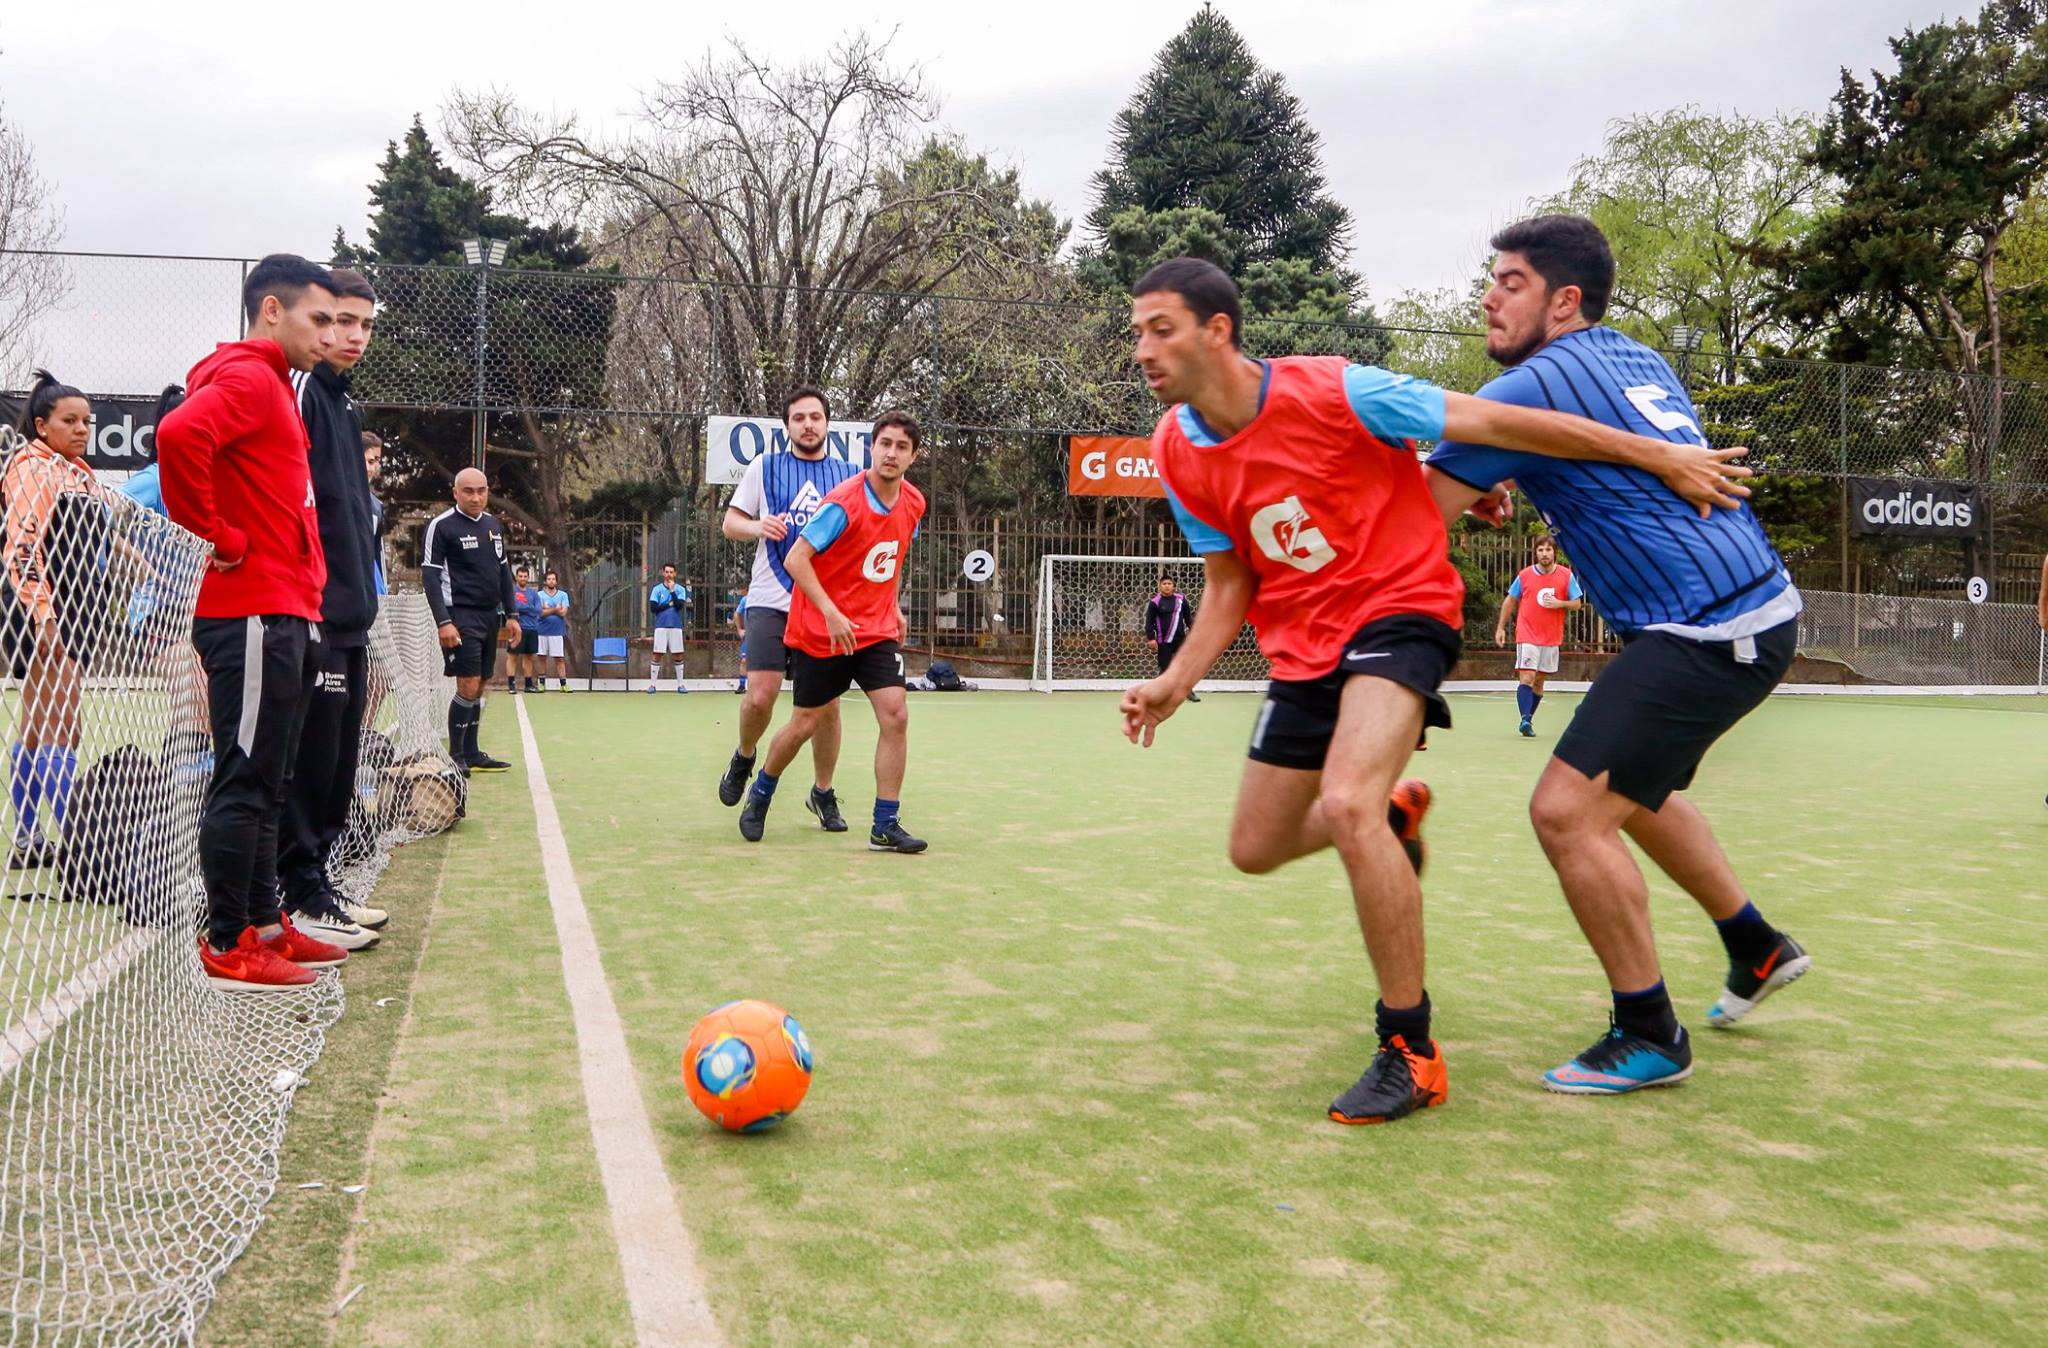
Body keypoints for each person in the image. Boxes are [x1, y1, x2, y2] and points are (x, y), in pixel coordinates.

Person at [1116, 256, 1752, 1126]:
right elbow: (1229, 584)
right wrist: (1173, 680)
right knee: (1255, 848)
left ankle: (1408, 1050)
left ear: (1216, 331)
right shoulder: (1176, 450)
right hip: (1304, 648)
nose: (1144, 350)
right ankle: (1395, 814)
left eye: (1162, 330)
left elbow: (1505, 419)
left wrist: (1660, 455)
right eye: (1138, 333)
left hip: (1398, 612)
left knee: (1344, 805)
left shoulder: (1342, 391)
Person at [1423, 215, 1810, 1096]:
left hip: (1706, 630)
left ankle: (1648, 1030)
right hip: (1749, 610)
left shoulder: (1529, 389)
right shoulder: (1634, 356)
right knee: (1634, 792)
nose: (1488, 294)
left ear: (1563, 301)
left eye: (1511, 281)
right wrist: (1496, 475)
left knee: (1568, 812)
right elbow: (1602, 465)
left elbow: (1412, 516)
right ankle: (1754, 946)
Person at [158, 253, 351, 990]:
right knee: (244, 782)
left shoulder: (274, 385)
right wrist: (219, 538)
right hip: (249, 611)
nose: (330, 333)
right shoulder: (245, 375)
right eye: (319, 317)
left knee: (271, 780)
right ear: (273, 310)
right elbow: (179, 439)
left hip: (285, 609)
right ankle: (226, 939)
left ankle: (266, 924)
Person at [738, 410, 928, 854]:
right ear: (871, 448)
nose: (891, 453)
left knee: (896, 715)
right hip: (822, 631)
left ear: (912, 456)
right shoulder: (844, 502)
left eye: (902, 447)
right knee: (806, 723)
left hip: (874, 629)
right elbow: (796, 559)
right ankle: (762, 791)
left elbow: (893, 554)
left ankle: (885, 824)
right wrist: (830, 611)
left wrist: (894, 605)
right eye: (885, 444)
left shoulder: (914, 502)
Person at [276, 268, 385, 950]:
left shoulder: (344, 405)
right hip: (311, 612)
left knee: (338, 760)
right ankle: (298, 893)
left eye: (366, 325)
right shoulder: (302, 391)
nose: (352, 336)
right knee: (309, 760)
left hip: (352, 615)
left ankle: (318, 882)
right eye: (341, 321)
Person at [716, 386, 862, 830]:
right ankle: (744, 757)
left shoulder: (850, 475)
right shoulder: (764, 467)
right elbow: (730, 523)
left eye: (815, 417)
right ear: (787, 427)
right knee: (760, 697)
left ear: (827, 423)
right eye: (799, 418)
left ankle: (822, 793)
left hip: (823, 605)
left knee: (828, 709)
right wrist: (758, 524)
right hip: (771, 599)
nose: (808, 424)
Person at [3, 371, 119, 870]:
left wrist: (145, 568)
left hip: (77, 610)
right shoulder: (34, 469)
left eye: (87, 422)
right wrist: (44, 618)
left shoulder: (79, 473)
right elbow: (22, 550)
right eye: (69, 421)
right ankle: (79, 843)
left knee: (36, 727)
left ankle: (28, 838)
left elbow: (99, 538)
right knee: (60, 726)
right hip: (49, 612)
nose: (81, 430)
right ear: (41, 424)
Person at [420, 469, 520, 773]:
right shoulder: (441, 527)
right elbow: (430, 576)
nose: (475, 497)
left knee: (482, 683)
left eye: (481, 491)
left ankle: (473, 752)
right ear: (455, 493)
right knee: (467, 684)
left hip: (491, 616)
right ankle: (457, 755)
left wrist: (512, 615)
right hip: (460, 615)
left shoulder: (493, 526)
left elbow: (504, 572)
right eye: (468, 491)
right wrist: (443, 622)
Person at [1494, 536, 1583, 736]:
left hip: (1551, 637)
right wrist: (1500, 627)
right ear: (1535, 553)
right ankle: (1525, 719)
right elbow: (1510, 600)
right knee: (1527, 676)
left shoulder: (1566, 576)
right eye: (1540, 550)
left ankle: (1529, 719)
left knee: (1540, 681)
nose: (1544, 553)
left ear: (1554, 553)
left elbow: (1577, 603)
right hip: (1527, 633)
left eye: (1548, 550)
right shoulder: (1525, 575)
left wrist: (1560, 603)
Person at [1142, 575, 1200, 702]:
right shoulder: (1155, 602)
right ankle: (1160, 694)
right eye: (1164, 583)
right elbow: (1149, 622)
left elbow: (1188, 618)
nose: (1167, 586)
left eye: (1169, 583)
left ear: (1174, 586)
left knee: (1184, 666)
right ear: (1160, 586)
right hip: (1164, 640)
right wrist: (1151, 638)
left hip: (1180, 639)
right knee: (1164, 667)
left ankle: (1188, 692)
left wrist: (1194, 632)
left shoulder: (1181, 599)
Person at [647, 563, 690, 694]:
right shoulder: (656, 589)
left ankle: (680, 685)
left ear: (675, 574)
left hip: (676, 625)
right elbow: (653, 608)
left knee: (678, 654)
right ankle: (652, 685)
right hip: (661, 625)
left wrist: (672, 591)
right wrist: (668, 604)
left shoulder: (680, 589)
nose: (669, 574)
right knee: (657, 654)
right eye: (667, 572)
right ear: (663, 573)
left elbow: (679, 606)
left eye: (671, 572)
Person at [535, 570, 571, 690]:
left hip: (557, 632)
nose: (551, 581)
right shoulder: (539, 595)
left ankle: (563, 684)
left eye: (553, 579)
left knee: (559, 658)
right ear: (545, 581)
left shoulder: (563, 595)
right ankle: (541, 683)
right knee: (541, 657)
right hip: (541, 631)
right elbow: (540, 613)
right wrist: (555, 609)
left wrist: (548, 609)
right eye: (549, 579)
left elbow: (563, 613)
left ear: (556, 581)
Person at [508, 565, 542, 693]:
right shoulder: (512, 591)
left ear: (528, 578)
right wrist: (529, 608)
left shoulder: (533, 593)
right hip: (517, 629)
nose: (523, 578)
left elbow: (538, 610)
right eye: (520, 576)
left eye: (525, 576)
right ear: (516, 577)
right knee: (513, 656)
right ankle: (511, 685)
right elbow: (514, 606)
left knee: (528, 657)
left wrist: (523, 608)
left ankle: (528, 685)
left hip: (532, 628)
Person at [363, 431, 388, 597]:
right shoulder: (331, 498)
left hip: (368, 586)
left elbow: (376, 552)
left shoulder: (376, 506)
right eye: (367, 461)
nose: (369, 468)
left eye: (374, 461)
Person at [732, 591, 749, 694]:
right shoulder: (745, 599)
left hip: (762, 636)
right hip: (749, 635)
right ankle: (742, 686)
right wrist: (739, 629)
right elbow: (737, 613)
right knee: (744, 660)